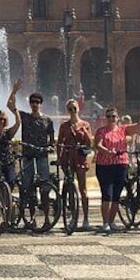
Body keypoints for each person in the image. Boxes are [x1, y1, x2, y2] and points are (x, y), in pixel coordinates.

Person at [93, 106, 140, 233]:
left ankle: (111, 221)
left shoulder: (123, 130)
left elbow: (139, 126)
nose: (111, 119)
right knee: (107, 195)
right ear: (105, 118)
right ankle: (105, 223)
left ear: (118, 118)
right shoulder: (101, 131)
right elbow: (97, 145)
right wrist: (107, 151)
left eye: (113, 116)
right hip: (104, 166)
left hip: (121, 164)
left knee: (116, 195)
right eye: (108, 116)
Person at [8, 82, 54, 203]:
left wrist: (51, 147)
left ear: (40, 104)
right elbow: (9, 105)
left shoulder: (48, 120)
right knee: (28, 184)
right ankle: (30, 216)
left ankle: (46, 217)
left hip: (42, 155)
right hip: (28, 154)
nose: (34, 104)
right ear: (30, 103)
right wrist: (14, 91)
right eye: (32, 102)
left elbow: (52, 139)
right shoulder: (25, 116)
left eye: (37, 102)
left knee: (45, 185)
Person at [57, 98, 94, 229]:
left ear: (78, 109)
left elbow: (90, 143)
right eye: (70, 109)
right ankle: (73, 217)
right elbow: (59, 143)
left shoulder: (85, 124)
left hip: (80, 157)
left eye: (74, 108)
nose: (72, 111)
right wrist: (59, 159)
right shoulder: (64, 126)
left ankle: (86, 218)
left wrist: (84, 132)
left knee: (83, 189)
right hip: (68, 158)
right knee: (70, 188)